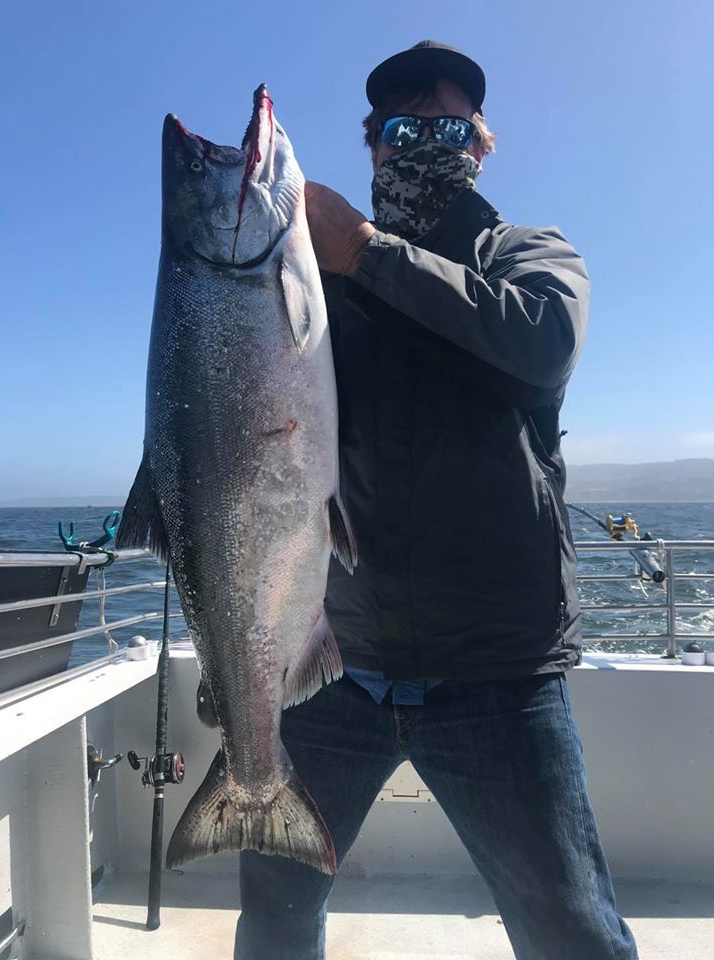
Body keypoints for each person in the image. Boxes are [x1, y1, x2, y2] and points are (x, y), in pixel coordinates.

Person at [234, 40, 639, 960]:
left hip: (497, 674)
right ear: (373, 145)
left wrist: (369, 252)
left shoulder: (530, 255)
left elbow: (542, 348)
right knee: (275, 917)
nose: (424, 143)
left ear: (483, 144)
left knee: (573, 930)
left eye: (448, 125)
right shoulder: (317, 285)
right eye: (405, 128)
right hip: (335, 666)